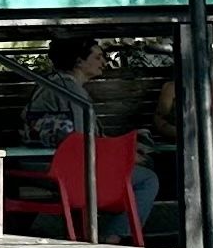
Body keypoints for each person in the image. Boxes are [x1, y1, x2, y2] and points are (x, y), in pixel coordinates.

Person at [24, 34, 160, 234]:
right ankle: (113, 237)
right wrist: (125, 156)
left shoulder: (57, 85)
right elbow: (82, 142)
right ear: (79, 61)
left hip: (55, 162)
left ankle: (110, 232)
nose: (104, 61)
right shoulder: (70, 91)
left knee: (142, 167)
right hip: (60, 168)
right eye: (97, 57)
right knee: (147, 179)